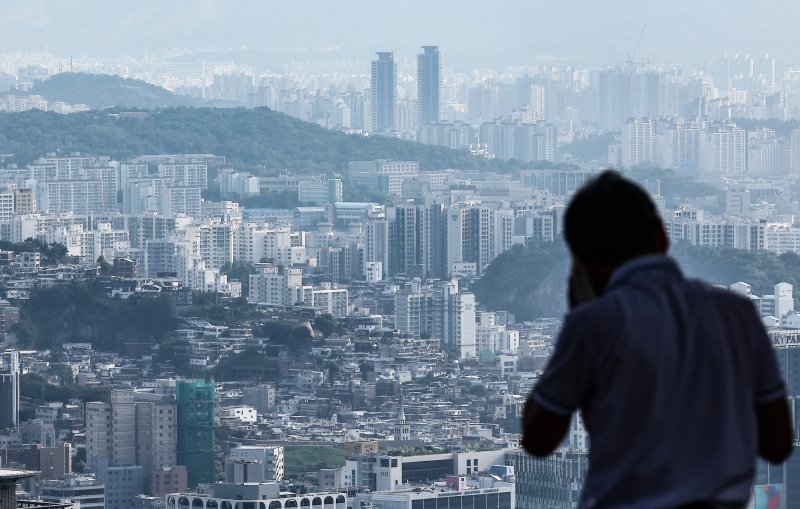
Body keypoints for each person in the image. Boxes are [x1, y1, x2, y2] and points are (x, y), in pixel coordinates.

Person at [521, 171, 793, 509]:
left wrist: (579, 316)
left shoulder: (593, 325)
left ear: (585, 266)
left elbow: (537, 438)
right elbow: (778, 443)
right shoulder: (737, 313)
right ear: (662, 237)